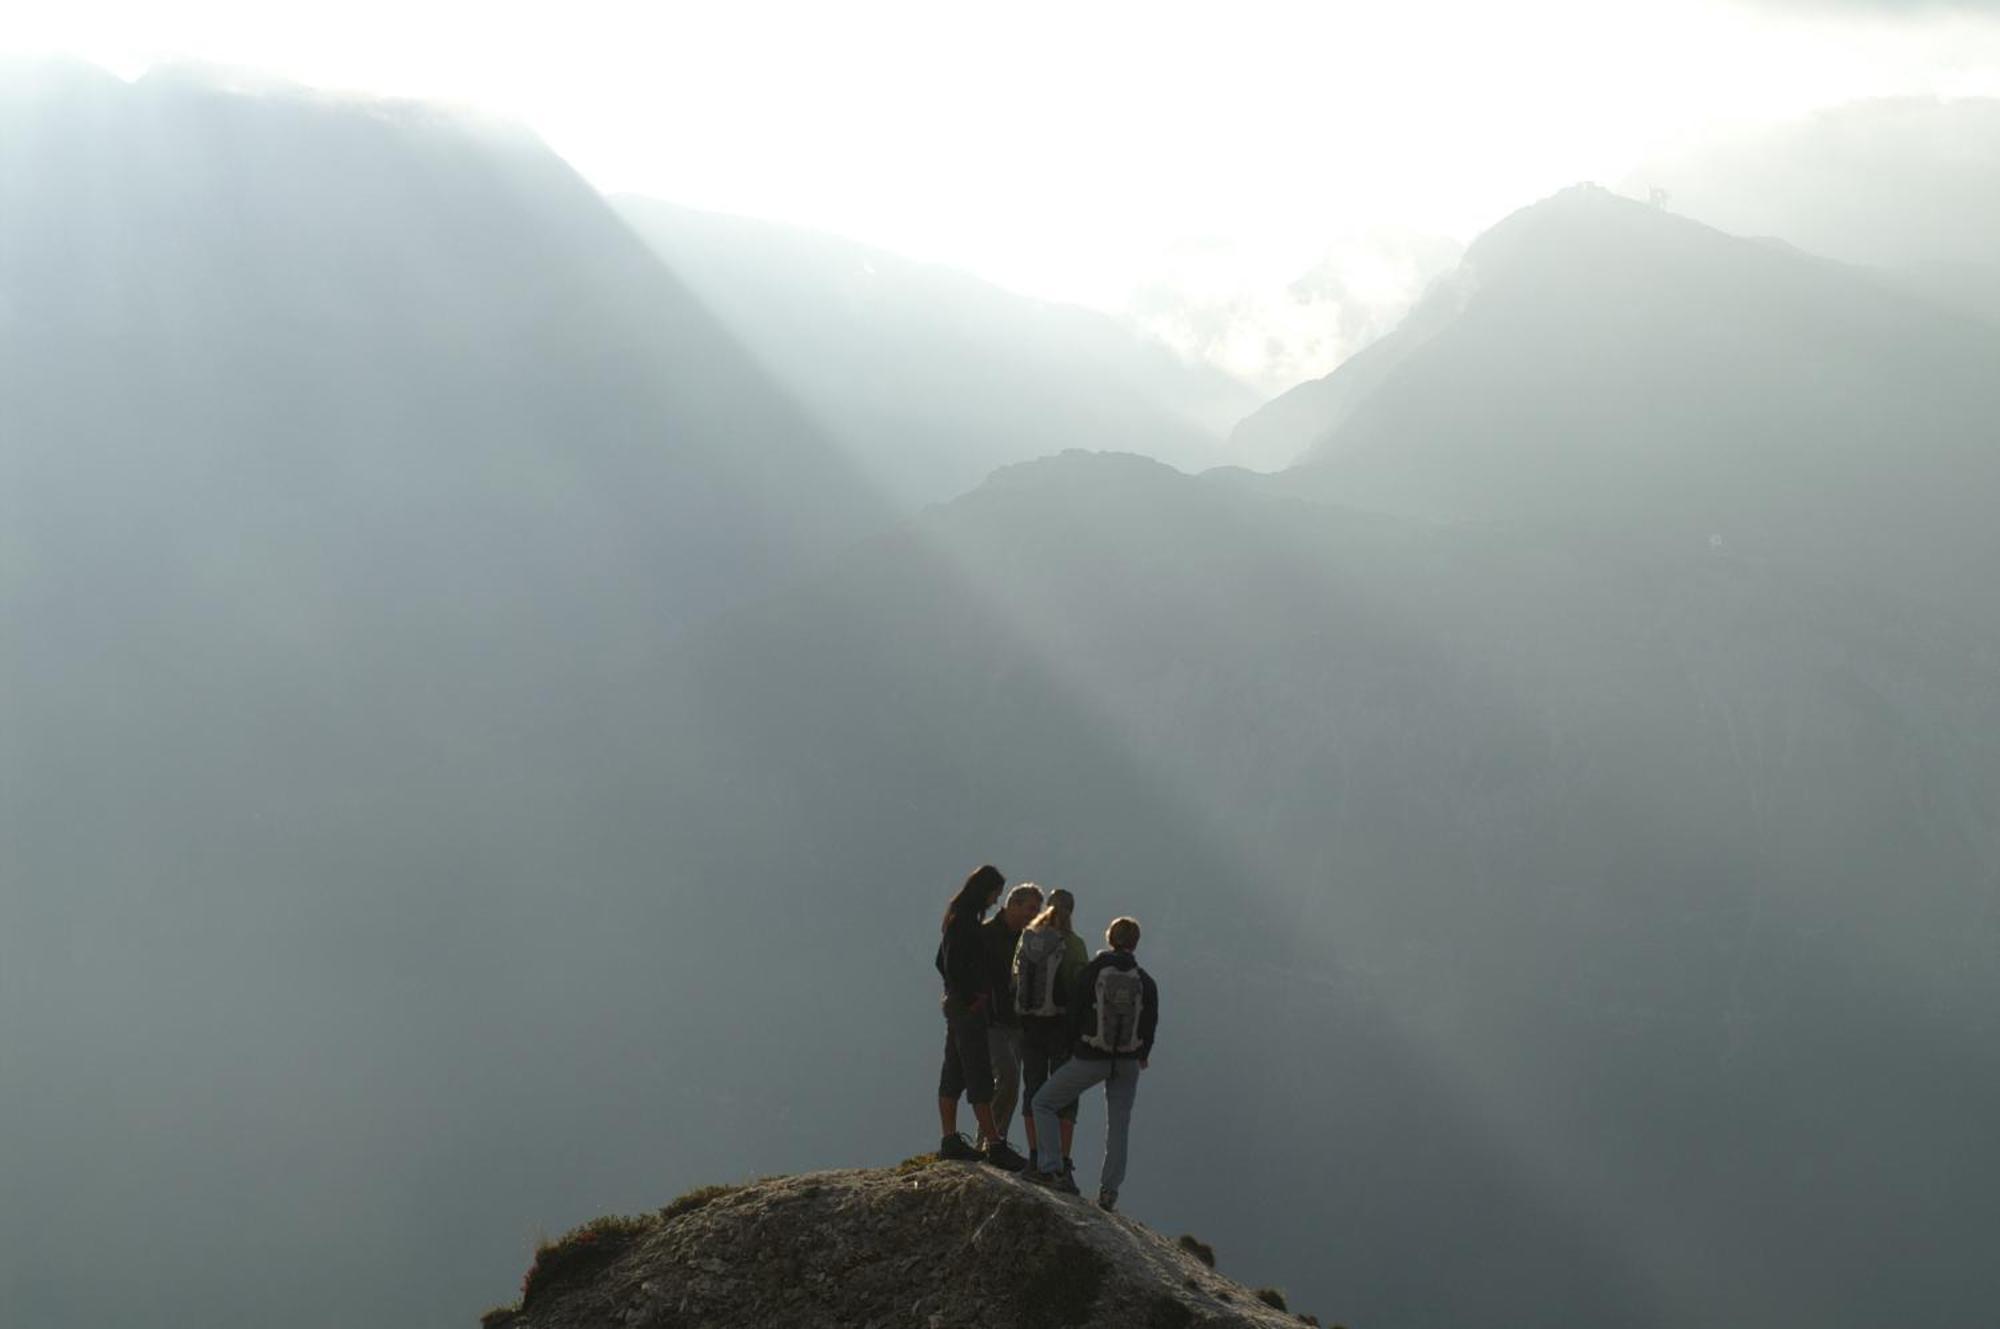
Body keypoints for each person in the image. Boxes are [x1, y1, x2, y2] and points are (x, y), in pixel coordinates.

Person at [1026, 916, 1158, 1211]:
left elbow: (1075, 1011)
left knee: (1043, 1102)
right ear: (1135, 943)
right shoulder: (1144, 980)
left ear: (1110, 938)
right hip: (1127, 1062)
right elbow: (1150, 1020)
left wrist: (1072, 1045)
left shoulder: (1094, 971)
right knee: (1119, 1126)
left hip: (1091, 1056)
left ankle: (1050, 1168)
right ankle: (1109, 1192)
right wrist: (1143, 1051)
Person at [934, 865, 1027, 1170]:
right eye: (995, 893)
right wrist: (974, 996)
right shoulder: (967, 924)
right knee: (978, 1073)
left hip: (956, 1005)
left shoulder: (956, 918)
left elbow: (941, 961)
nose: (995, 900)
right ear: (984, 890)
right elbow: (952, 964)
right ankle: (995, 1144)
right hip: (968, 1008)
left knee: (954, 1071)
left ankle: (949, 1139)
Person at [1013, 887, 1088, 1181]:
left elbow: (1015, 979)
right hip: (1061, 1027)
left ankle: (1034, 1158)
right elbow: (1081, 988)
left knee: (1032, 1088)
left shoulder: (1028, 938)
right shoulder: (1074, 944)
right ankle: (1062, 1164)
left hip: (1030, 1026)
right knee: (1064, 1094)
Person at [981, 881, 1044, 1145]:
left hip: (1015, 1021)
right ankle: (991, 1142)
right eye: (1030, 909)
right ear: (1013, 904)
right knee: (1006, 1078)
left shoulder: (1028, 940)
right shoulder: (986, 934)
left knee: (1009, 1084)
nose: (1034, 915)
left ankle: (992, 1140)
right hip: (990, 1018)